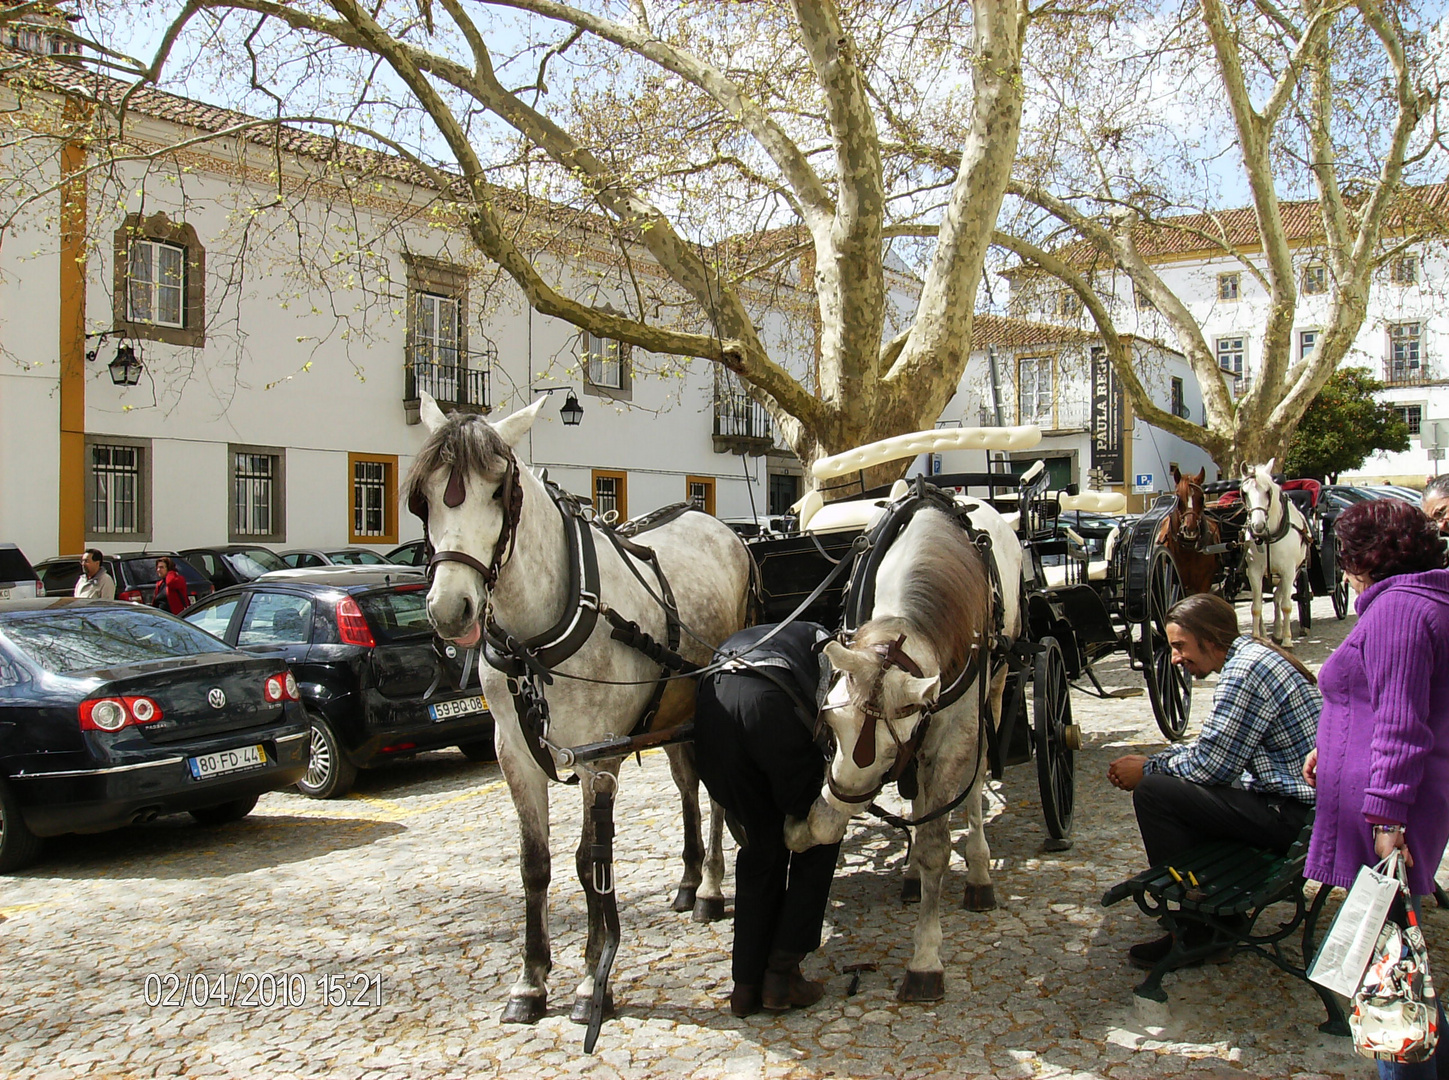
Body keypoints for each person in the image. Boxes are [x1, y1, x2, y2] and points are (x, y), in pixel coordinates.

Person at [1303, 498, 1449, 1080]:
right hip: (1386, 800)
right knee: (1401, 961)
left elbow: (1400, 721)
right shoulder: (1425, 599)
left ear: (1364, 557)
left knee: (1388, 975)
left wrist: (1388, 824)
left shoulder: (1398, 612)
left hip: (1384, 814)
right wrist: (1330, 742)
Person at [1107, 593, 1321, 968]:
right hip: (1306, 813)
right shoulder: (1255, 656)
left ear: (1208, 637)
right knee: (1187, 788)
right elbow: (1218, 746)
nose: (1175, 658)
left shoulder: (1245, 672)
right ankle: (1216, 916)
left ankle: (1198, 930)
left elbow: (1212, 767)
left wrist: (1148, 770)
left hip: (1294, 817)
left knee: (1156, 794)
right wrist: (1158, 760)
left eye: (1179, 646)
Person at [692, 620, 841, 1018]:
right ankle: (782, 970)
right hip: (768, 704)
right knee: (820, 831)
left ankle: (745, 987)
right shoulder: (823, 639)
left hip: (713, 710)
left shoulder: (758, 633)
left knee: (762, 846)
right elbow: (832, 712)